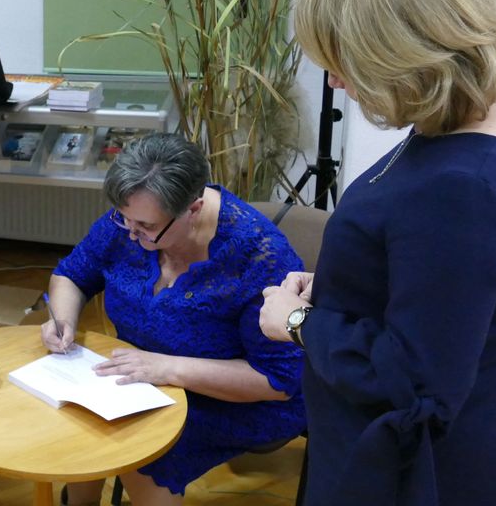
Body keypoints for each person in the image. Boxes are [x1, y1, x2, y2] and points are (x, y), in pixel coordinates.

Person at [260, 0, 496, 506]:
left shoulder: (463, 190)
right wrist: (349, 286)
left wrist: (297, 322)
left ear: (404, 56)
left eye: (342, 64)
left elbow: (417, 380)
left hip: (416, 470)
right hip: (450, 432)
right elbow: (458, 291)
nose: (335, 82)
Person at [44, 132, 306, 506]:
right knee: (79, 417)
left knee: (139, 444)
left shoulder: (258, 257)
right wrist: (63, 319)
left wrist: (167, 368)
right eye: (123, 218)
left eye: (146, 227)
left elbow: (278, 380)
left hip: (234, 399)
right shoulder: (132, 219)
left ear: (193, 209)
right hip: (143, 374)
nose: (130, 233)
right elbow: (73, 274)